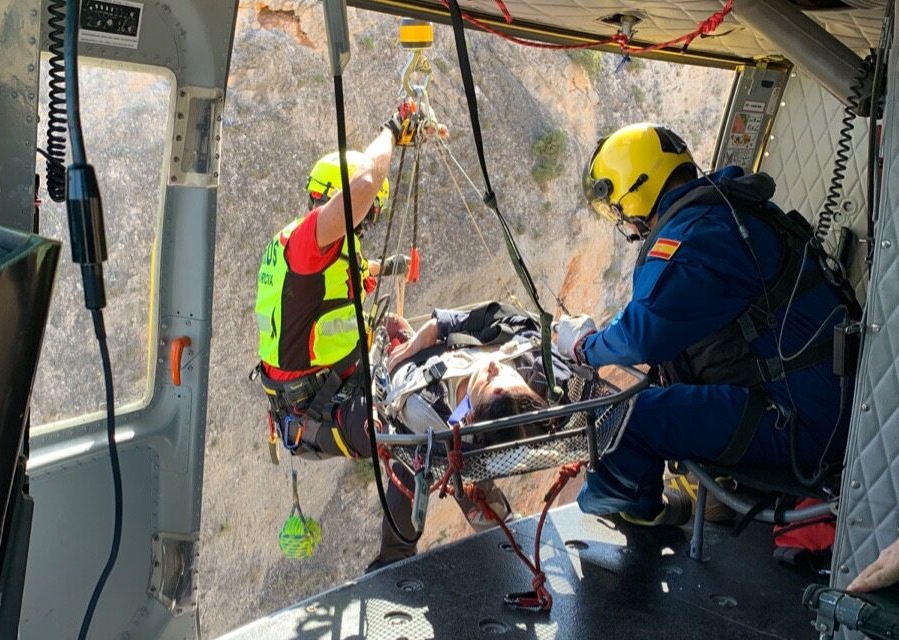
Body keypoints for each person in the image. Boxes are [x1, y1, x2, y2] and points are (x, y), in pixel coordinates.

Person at [556, 122, 861, 526]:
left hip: (803, 422)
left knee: (633, 420)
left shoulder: (696, 237)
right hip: (829, 403)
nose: (625, 223)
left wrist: (584, 347)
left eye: (618, 211)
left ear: (636, 191)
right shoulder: (724, 213)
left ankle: (638, 511)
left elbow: (644, 334)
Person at [253, 106, 420, 568]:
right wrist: (392, 130)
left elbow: (349, 278)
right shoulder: (309, 245)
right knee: (413, 430)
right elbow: (365, 185)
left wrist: (388, 269)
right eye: (365, 219)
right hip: (318, 412)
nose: (366, 227)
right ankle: (395, 561)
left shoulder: (308, 253)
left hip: (322, 399)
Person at [375, 301, 579, 566]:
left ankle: (394, 557)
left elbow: (394, 388)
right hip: (454, 413)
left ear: (471, 416)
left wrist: (412, 350)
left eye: (490, 384)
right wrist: (439, 326)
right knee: (452, 470)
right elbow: (505, 315)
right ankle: (498, 531)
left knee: (442, 466)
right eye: (510, 376)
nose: (495, 365)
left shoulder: (427, 405)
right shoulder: (539, 370)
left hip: (436, 418)